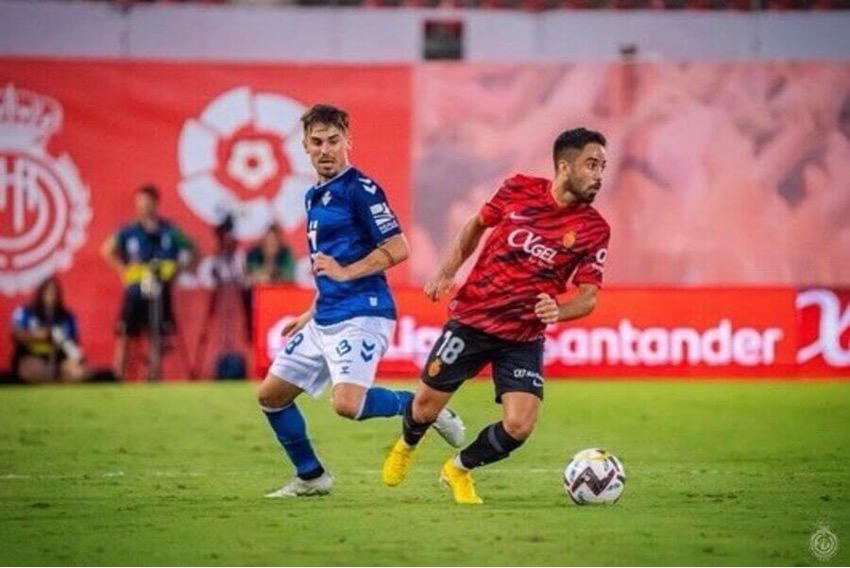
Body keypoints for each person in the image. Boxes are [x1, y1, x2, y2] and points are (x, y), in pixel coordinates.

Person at [382, 127, 612, 504]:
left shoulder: (593, 230)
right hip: (472, 319)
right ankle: (406, 445)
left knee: (519, 425)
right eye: (591, 164)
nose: (599, 174)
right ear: (564, 166)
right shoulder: (518, 189)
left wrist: (559, 310)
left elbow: (588, 296)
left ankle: (458, 469)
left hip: (522, 335)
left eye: (603, 166)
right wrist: (446, 270)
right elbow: (476, 225)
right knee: (424, 406)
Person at [256, 103, 465, 498]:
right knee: (270, 396)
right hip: (327, 315)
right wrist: (311, 311)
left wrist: (345, 272)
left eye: (334, 140)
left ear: (348, 141)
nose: (325, 149)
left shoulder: (360, 189)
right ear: (304, 146)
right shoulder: (313, 196)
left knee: (347, 405)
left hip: (364, 312)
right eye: (317, 142)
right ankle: (312, 476)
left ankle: (425, 406)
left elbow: (399, 247)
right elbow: (329, 266)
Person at [101, 184, 195, 380]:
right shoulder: (128, 230)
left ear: (155, 203)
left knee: (157, 335)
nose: (143, 206)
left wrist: (176, 270)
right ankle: (117, 376)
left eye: (147, 202)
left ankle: (153, 374)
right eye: (140, 202)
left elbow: (192, 248)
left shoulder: (169, 230)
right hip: (136, 290)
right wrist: (123, 271)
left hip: (160, 289)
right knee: (126, 332)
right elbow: (107, 249)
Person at [10, 277, 88, 384]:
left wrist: (74, 354)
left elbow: (72, 342)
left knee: (80, 373)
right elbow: (16, 333)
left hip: (58, 359)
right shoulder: (26, 312)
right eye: (48, 292)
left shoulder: (66, 316)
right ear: (40, 292)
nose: (51, 296)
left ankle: (58, 382)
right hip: (32, 356)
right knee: (35, 371)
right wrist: (39, 335)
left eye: (54, 292)